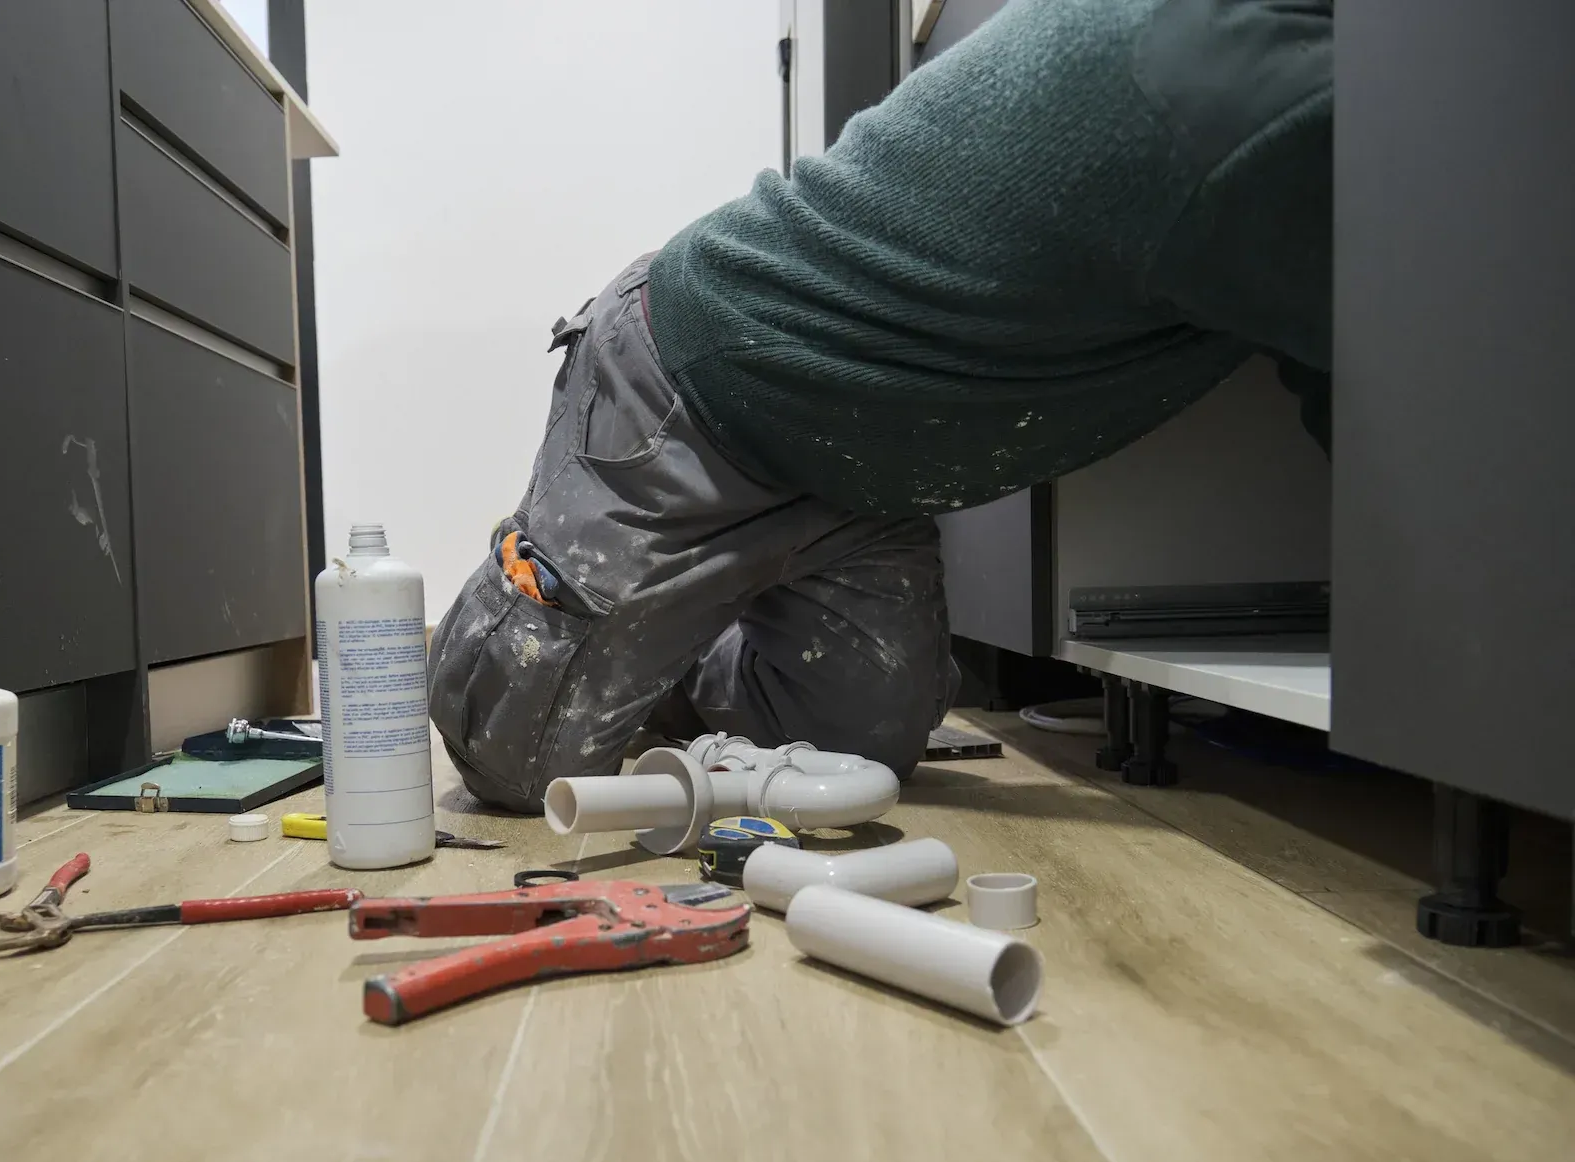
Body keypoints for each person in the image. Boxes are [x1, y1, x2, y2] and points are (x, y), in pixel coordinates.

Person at [427, 0, 1331, 812]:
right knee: (515, 764)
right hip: (696, 397)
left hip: (861, 479)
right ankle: (557, 586)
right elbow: (1381, 395)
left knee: (861, 754)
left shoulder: (1265, 72)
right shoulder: (1250, 92)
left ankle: (662, 630)